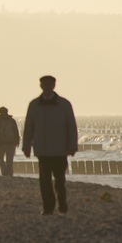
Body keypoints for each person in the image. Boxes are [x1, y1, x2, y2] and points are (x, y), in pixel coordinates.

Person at [22, 75, 78, 215]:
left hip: (60, 150)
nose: (47, 86)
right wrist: (26, 146)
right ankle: (48, 207)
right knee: (44, 181)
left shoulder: (64, 104)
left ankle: (62, 205)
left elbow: (71, 126)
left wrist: (72, 146)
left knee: (60, 180)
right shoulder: (34, 105)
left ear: (54, 85)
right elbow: (29, 126)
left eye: (49, 84)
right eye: (44, 84)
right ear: (41, 86)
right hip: (42, 150)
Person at [0, 106, 20, 177]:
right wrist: (17, 141)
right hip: (11, 143)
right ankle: (10, 174)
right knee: (9, 160)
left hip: (2, 143)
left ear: (0, 112)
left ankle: (5, 172)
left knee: (0, 158)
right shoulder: (12, 120)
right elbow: (16, 132)